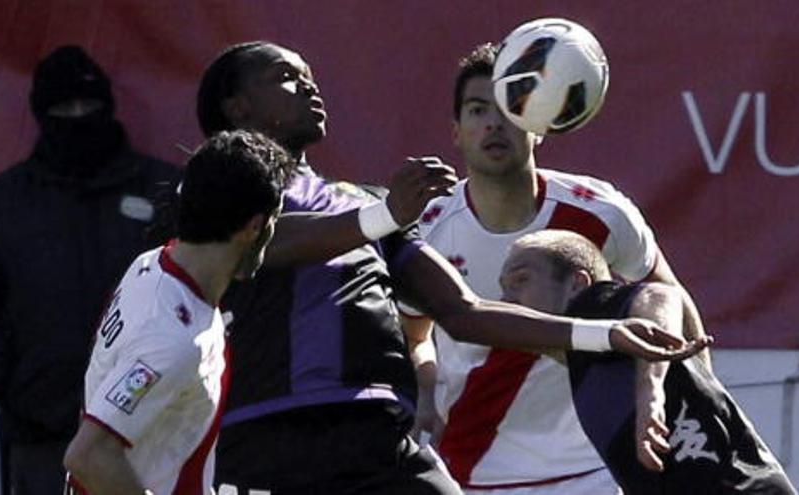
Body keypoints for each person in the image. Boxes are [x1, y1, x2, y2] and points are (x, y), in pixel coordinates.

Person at [194, 41, 706, 495]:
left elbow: (463, 310)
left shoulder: (360, 203)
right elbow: (249, 241)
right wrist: (384, 216)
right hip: (272, 439)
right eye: (285, 76)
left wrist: (609, 335)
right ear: (236, 107)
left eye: (310, 75)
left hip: (378, 439)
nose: (308, 85)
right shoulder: (212, 186)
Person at [400, 43, 714, 493]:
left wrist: (703, 407)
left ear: (539, 121)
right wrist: (426, 394)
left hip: (596, 467)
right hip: (470, 472)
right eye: (476, 110)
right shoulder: (427, 231)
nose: (493, 123)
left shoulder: (600, 212)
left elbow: (669, 300)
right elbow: (415, 338)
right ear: (456, 131)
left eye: (510, 107)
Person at [0, 45, 180, 495]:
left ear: (108, 107)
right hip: (43, 433)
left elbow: (202, 283)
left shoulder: (167, 192)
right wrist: (14, 386)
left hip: (157, 425)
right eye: (64, 107)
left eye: (88, 105)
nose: (78, 117)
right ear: (42, 114)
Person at [62, 130, 293, 495]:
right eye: (275, 218)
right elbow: (89, 456)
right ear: (254, 226)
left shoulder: (152, 264)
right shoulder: (173, 336)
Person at [499, 229, 796, 494]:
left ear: (577, 283)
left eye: (521, 280)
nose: (506, 300)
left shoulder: (597, 309)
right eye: (503, 288)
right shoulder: (586, 358)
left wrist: (650, 392)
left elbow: (660, 294)